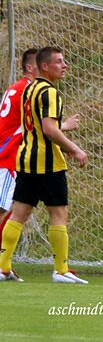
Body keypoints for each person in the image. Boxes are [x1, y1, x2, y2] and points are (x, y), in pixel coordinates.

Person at [0, 47, 88, 283]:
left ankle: (3, 266)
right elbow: (49, 129)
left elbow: (37, 126)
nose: (65, 65)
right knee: (58, 214)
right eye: (59, 61)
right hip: (48, 164)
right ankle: (61, 270)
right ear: (45, 67)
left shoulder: (28, 90)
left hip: (25, 160)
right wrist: (74, 149)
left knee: (18, 214)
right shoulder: (49, 92)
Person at [0, 49, 39, 247]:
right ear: (30, 67)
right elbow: (38, 124)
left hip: (13, 156)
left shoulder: (17, 87)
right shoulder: (27, 90)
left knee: (20, 209)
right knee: (4, 209)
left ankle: (3, 259)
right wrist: (62, 127)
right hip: (7, 156)